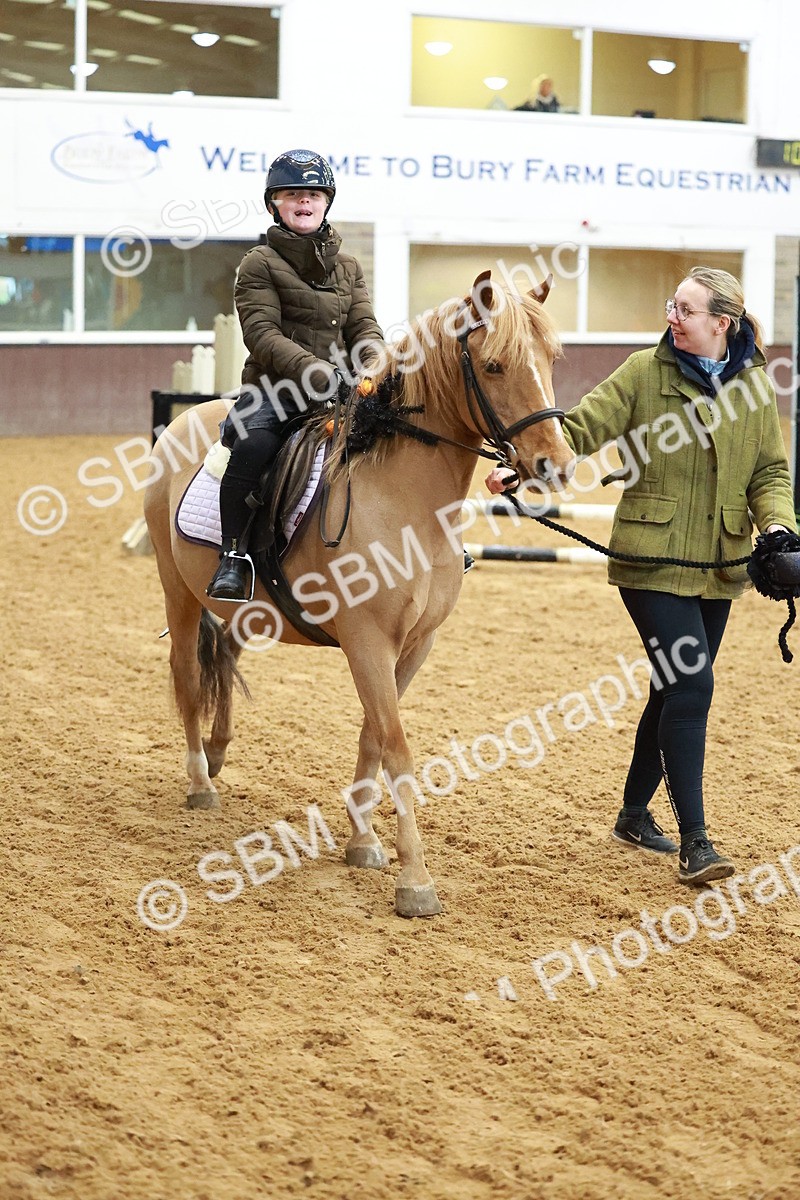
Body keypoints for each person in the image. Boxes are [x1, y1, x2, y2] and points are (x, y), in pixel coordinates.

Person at [487, 267, 797, 885]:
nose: (672, 316)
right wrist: (523, 464)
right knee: (692, 687)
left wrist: (780, 529)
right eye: (671, 305)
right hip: (650, 560)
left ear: (721, 323)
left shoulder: (756, 385)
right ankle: (697, 843)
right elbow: (576, 430)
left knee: (670, 688)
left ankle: (634, 813)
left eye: (685, 309)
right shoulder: (642, 373)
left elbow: (769, 472)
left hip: (719, 563)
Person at [207, 148, 386, 601]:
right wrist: (318, 372)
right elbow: (262, 333)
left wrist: (376, 363)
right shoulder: (258, 264)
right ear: (274, 205)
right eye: (292, 195)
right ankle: (233, 556)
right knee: (255, 445)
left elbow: (363, 326)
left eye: (312, 194)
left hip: (340, 388)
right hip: (275, 389)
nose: (303, 202)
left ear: (326, 202)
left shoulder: (348, 267)